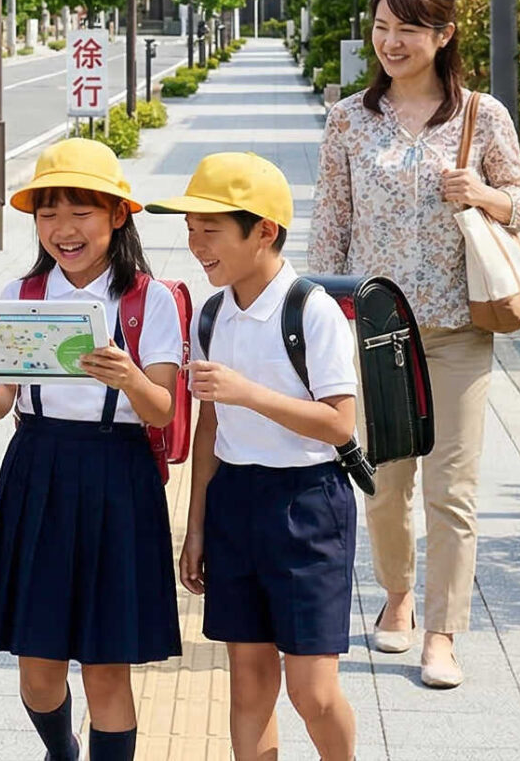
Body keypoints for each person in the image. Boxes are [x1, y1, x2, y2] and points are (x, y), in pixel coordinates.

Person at [311, 0, 520, 690]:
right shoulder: (348, 119)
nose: (391, 42)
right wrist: (319, 317)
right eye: (382, 27)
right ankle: (398, 595)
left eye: (408, 29)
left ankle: (442, 632)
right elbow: (331, 226)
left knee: (452, 490)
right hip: (375, 333)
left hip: (458, 329)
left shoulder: (482, 115)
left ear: (443, 36)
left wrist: (486, 195)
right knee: (383, 486)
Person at [0, 139, 182, 761]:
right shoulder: (20, 294)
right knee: (38, 668)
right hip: (37, 469)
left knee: (107, 668)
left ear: (117, 215)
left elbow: (162, 409)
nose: (64, 229)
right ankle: (62, 750)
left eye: (81, 212)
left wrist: (128, 376)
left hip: (119, 473)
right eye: (48, 213)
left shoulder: (149, 300)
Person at [158, 153, 361, 761]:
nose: (195, 245)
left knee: (312, 692)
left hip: (308, 503)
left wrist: (248, 393)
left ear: (264, 231)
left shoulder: (312, 311)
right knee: (247, 684)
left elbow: (339, 424)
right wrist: (195, 527)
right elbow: (209, 426)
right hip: (234, 500)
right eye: (190, 230)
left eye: (210, 230)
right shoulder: (212, 314)